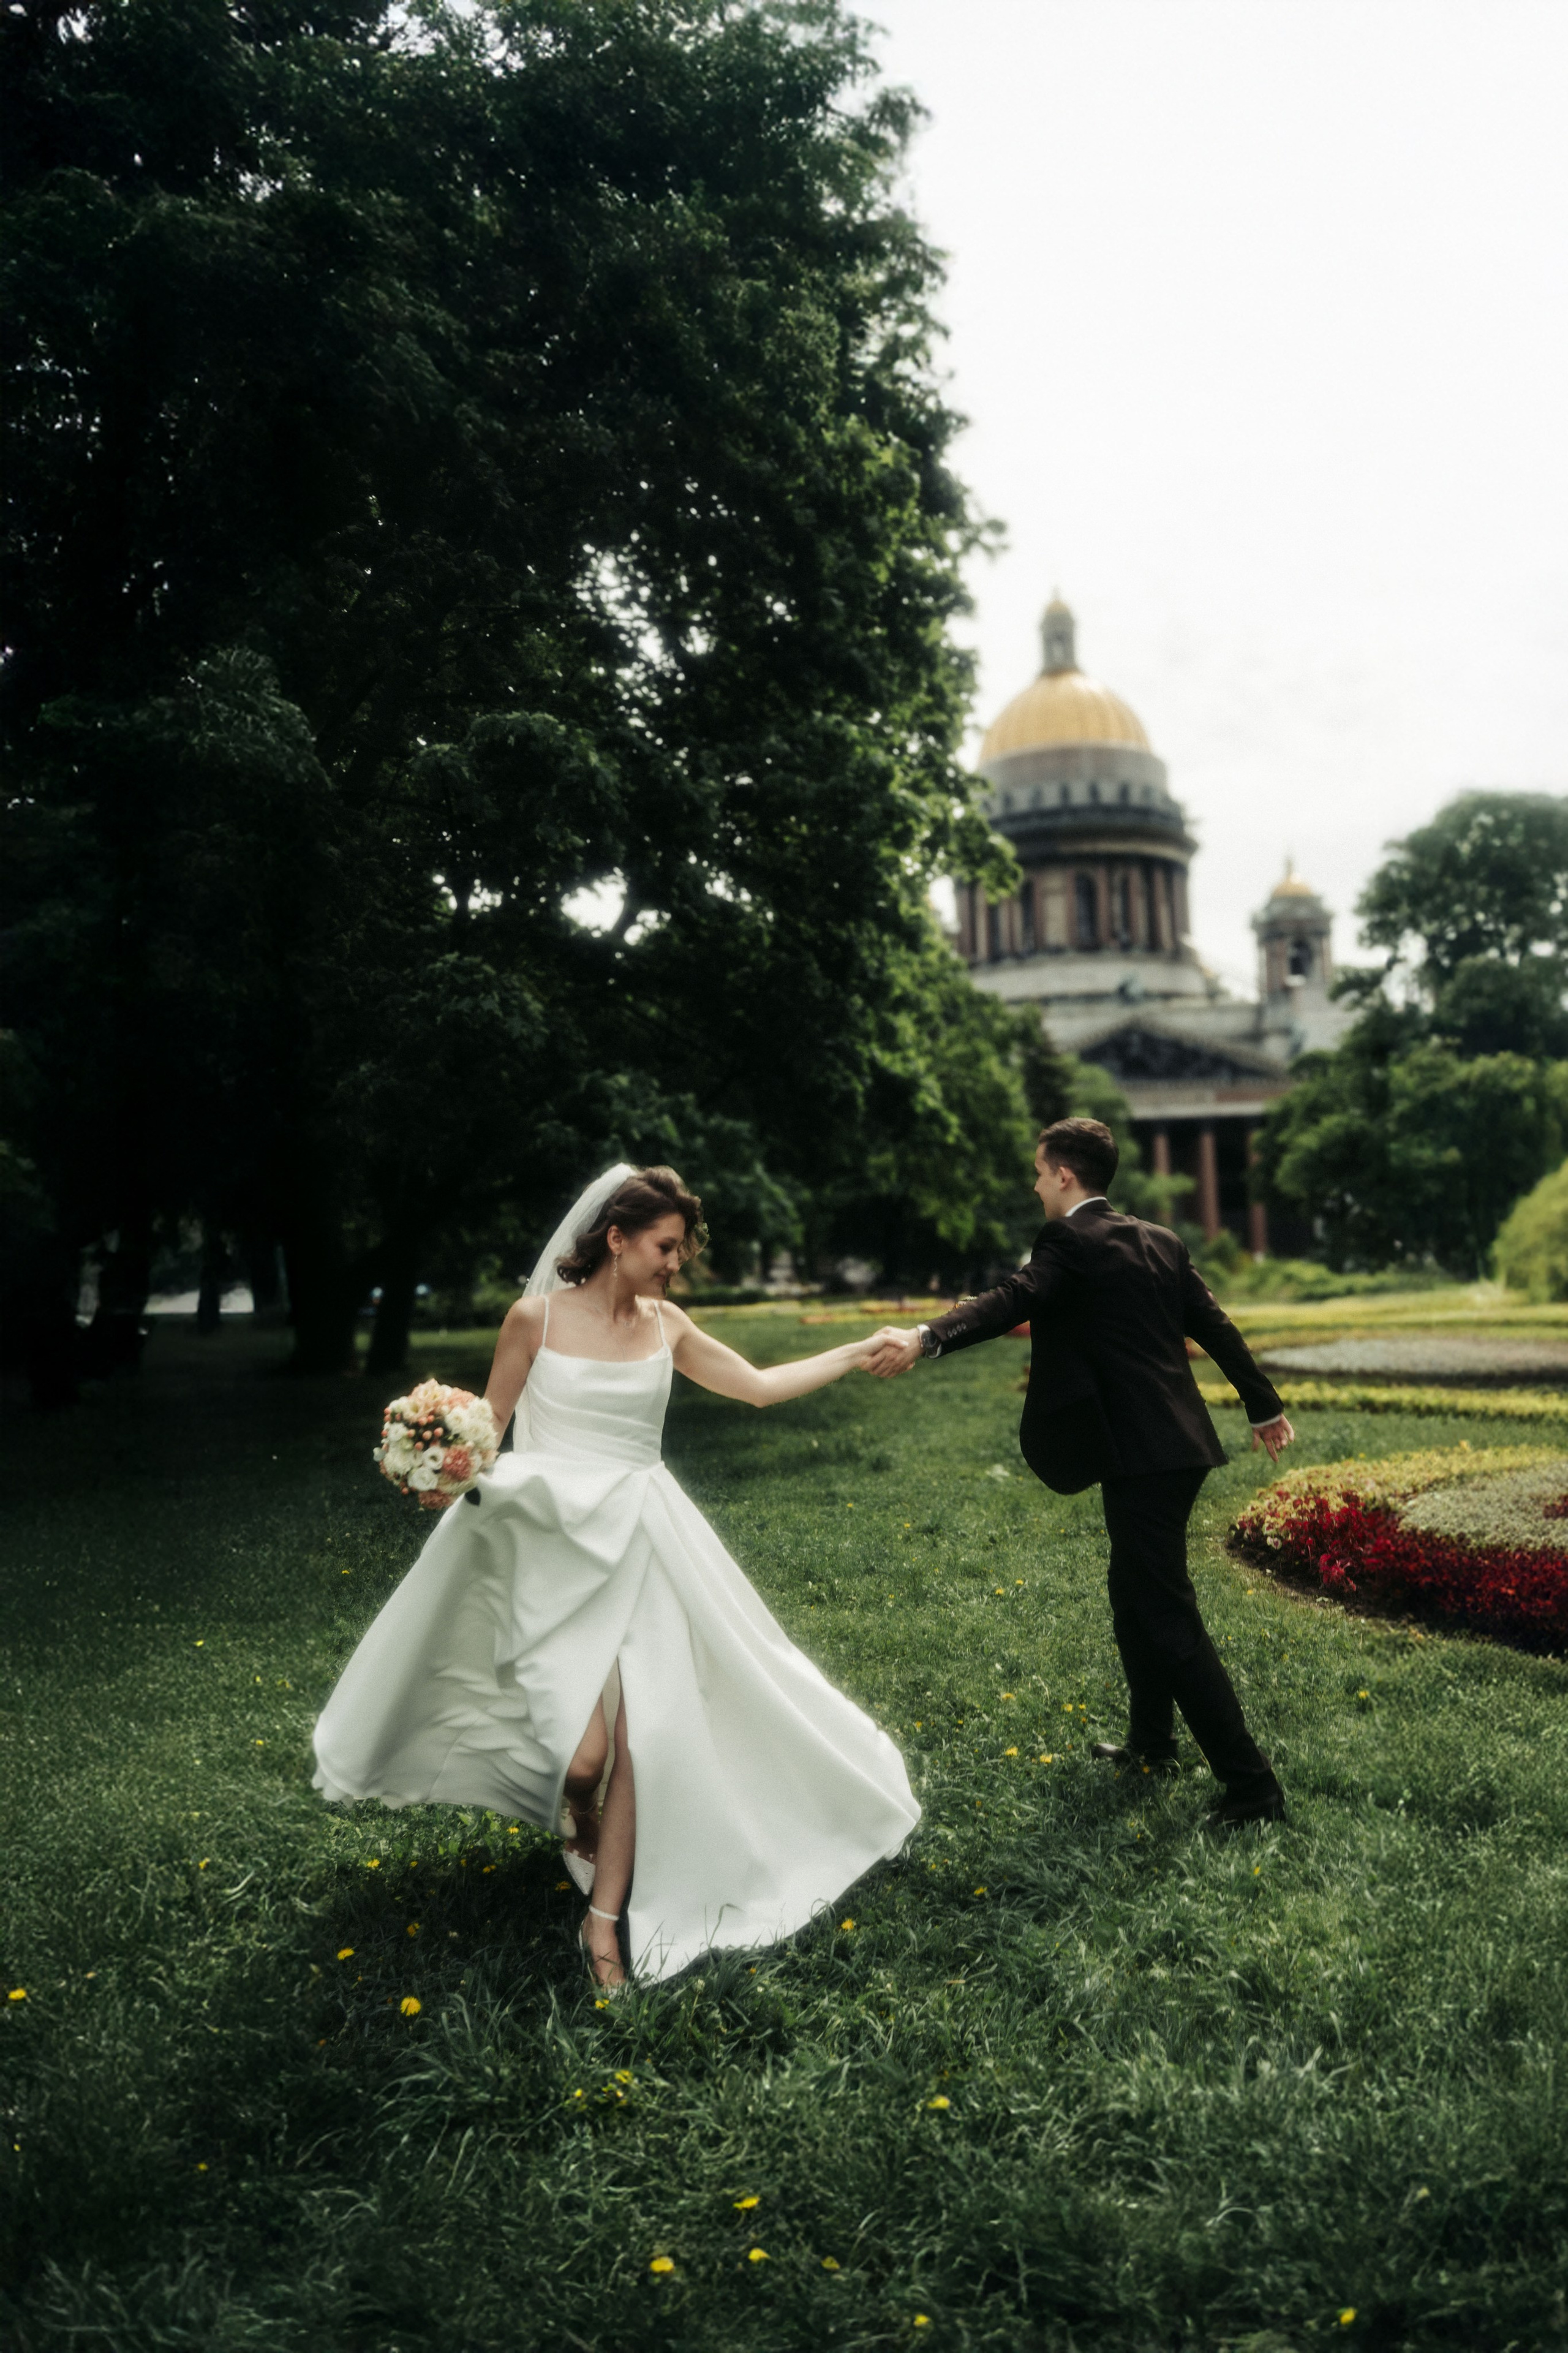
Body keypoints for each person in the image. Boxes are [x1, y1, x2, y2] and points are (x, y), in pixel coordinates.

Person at [313, 1163, 918, 1987]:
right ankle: (573, 1810)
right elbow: (487, 1431)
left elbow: (761, 1388)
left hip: (643, 1538)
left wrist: (856, 1350)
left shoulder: (668, 1326)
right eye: (667, 1247)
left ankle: (604, 1926)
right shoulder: (533, 1319)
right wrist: (440, 1466)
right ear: (617, 1237)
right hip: (549, 1542)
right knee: (586, 1759)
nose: (676, 1263)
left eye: (681, 1251)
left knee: (643, 1736)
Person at [865, 1117, 1294, 1835]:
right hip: (1176, 1448)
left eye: (1038, 1172)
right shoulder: (1160, 1240)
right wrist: (1262, 1404)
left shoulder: (1067, 1239)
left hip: (1142, 1453)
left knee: (1164, 1612)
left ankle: (1253, 1788)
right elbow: (1213, 1324)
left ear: (1064, 1175)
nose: (1034, 1185)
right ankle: (1151, 1743)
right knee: (1133, 1594)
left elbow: (1013, 1297)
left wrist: (926, 1335)